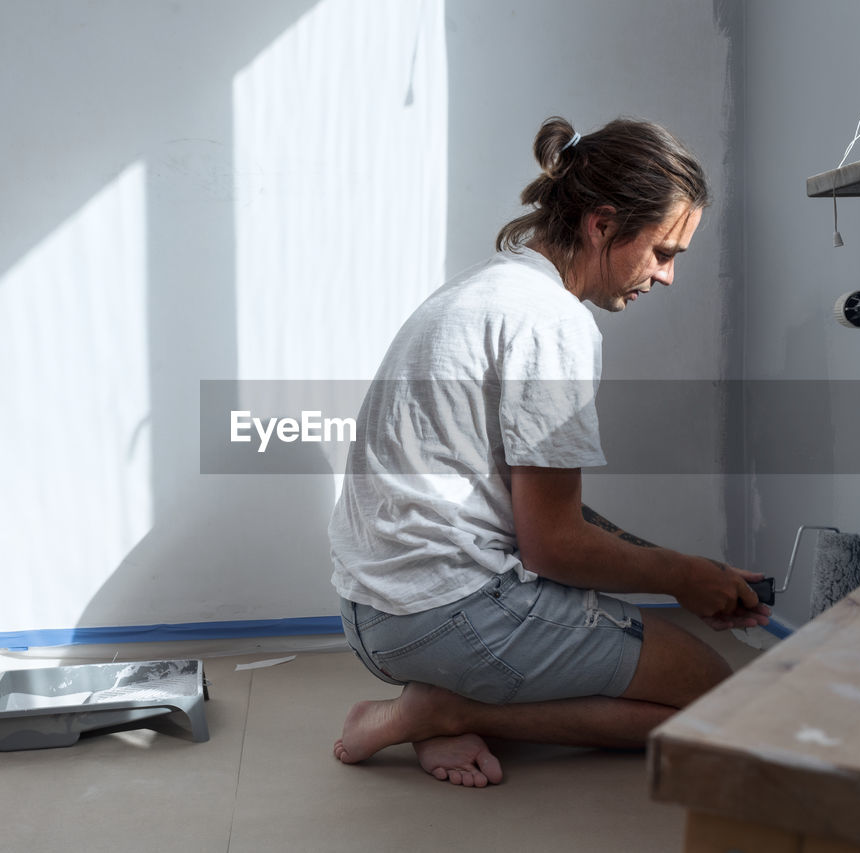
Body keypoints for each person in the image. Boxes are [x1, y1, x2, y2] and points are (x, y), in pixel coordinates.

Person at [328, 116, 771, 788]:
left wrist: (694, 568)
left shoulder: (488, 288)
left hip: (373, 613)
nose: (669, 276)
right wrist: (680, 577)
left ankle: (447, 696)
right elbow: (553, 546)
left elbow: (547, 516)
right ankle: (442, 706)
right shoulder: (551, 322)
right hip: (442, 615)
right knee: (715, 695)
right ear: (602, 224)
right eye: (663, 251)